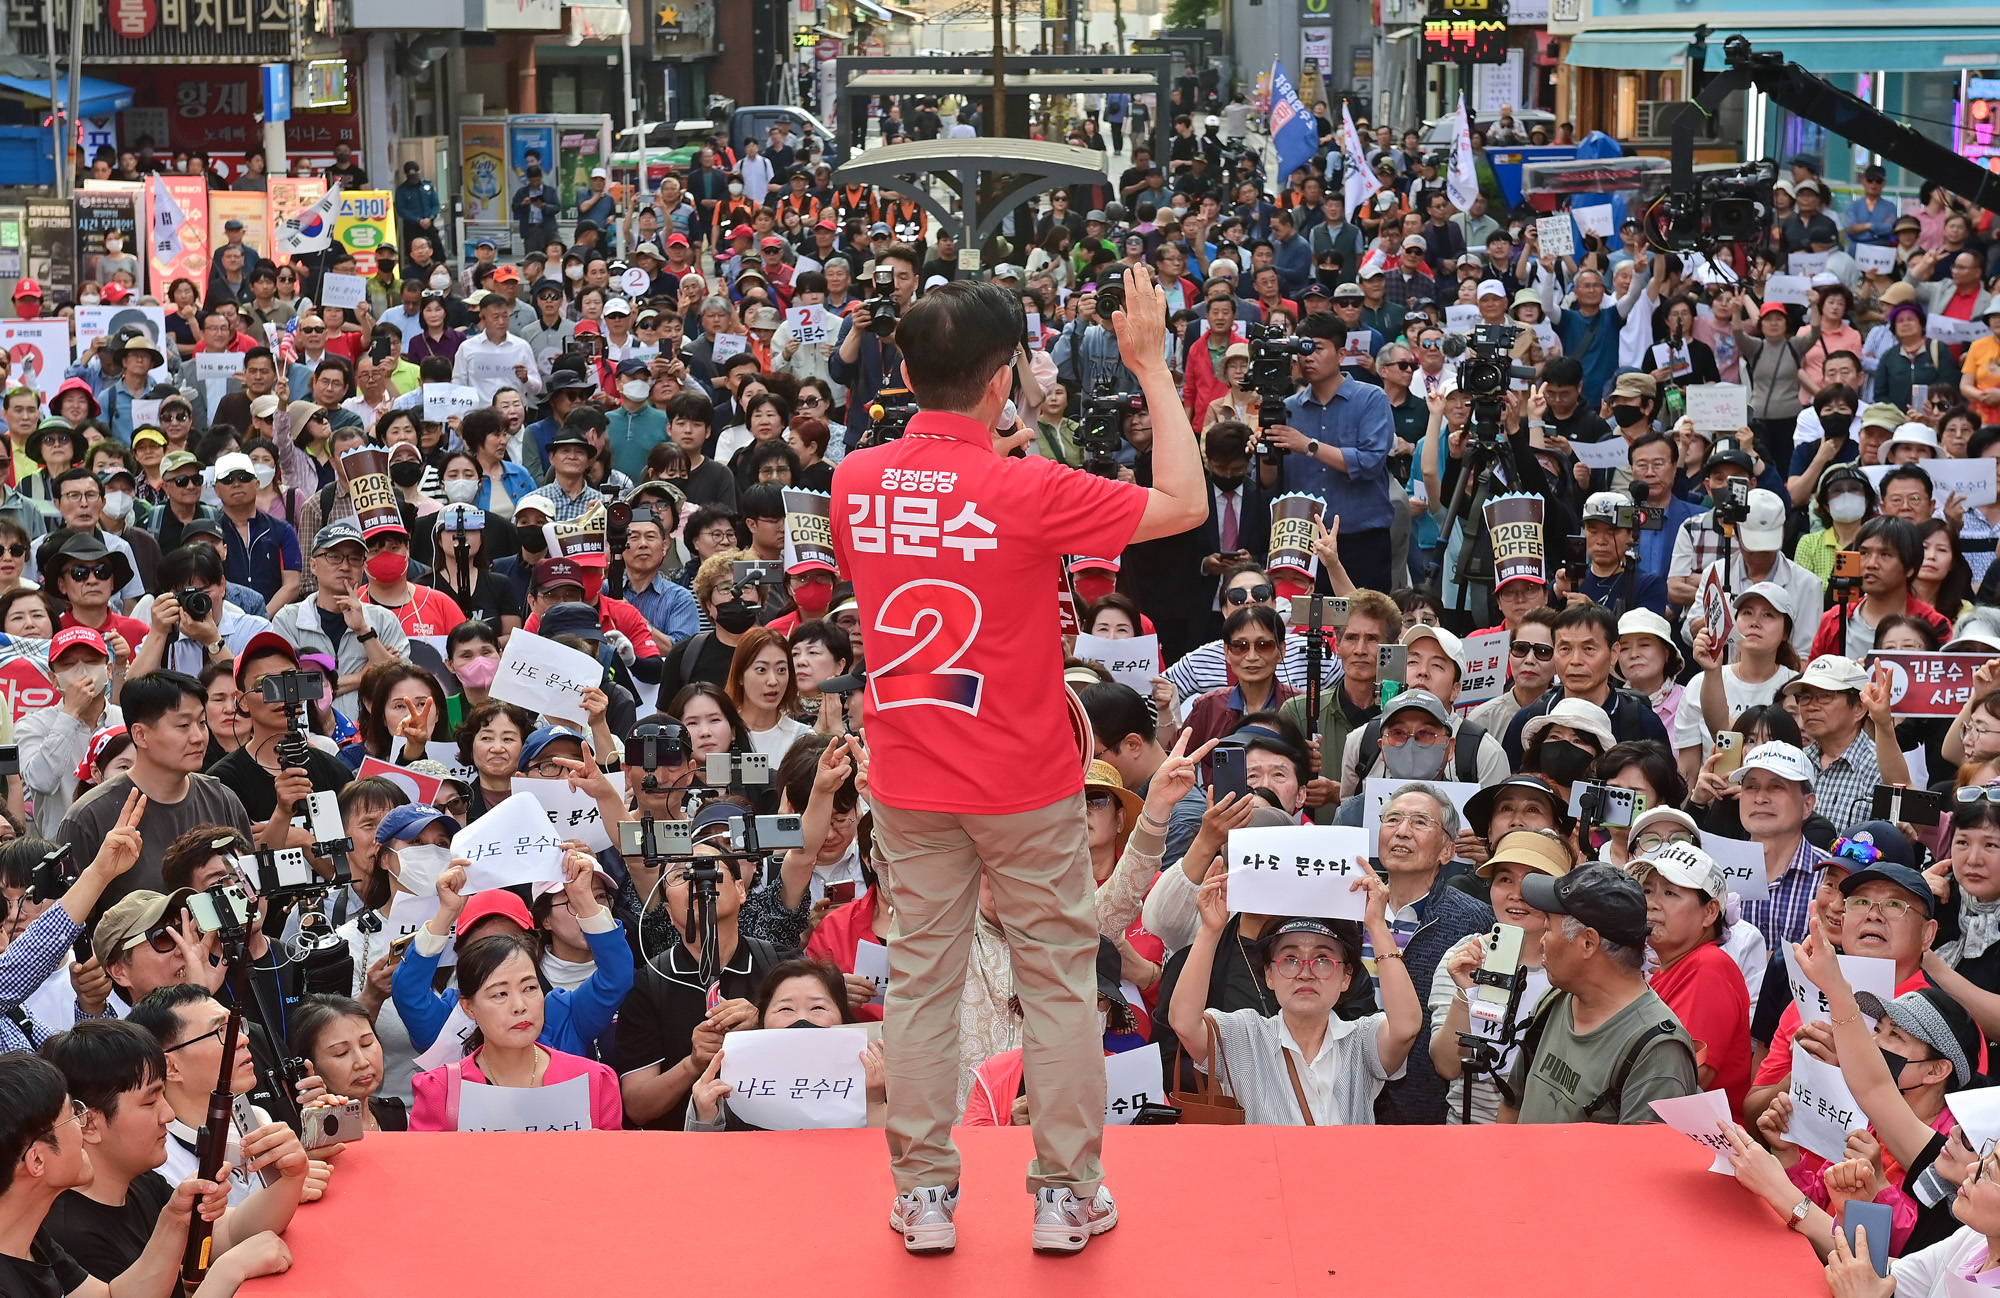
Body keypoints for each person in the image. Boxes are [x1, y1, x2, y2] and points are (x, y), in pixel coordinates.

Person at [829, 268, 1205, 1254]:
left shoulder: (853, 479)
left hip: (907, 776)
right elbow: (1182, 499)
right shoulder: (1026, 486)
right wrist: (1150, 366)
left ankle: (921, 1195)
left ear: (905, 370)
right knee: (1052, 983)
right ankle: (1064, 1191)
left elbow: (923, 524)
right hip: (1024, 782)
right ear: (1002, 381)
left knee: (917, 982)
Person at [0, 1052, 293, 1298]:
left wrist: (175, 1219)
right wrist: (227, 1272)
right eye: (73, 1118)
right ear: (37, 1159)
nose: (82, 1128)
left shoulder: (32, 1239)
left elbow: (112, 1297)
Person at [40, 1020, 307, 1282]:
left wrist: (289, 1177)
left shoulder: (142, 1183)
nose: (167, 1114)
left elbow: (227, 1232)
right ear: (87, 1122)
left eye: (163, 1096)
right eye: (150, 1101)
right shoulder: (69, 1236)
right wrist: (226, 1272)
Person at [1168, 858, 1417, 1124]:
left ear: (1347, 978)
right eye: (1290, 959)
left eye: (1322, 960)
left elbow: (1406, 1028)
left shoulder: (1361, 1041)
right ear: (1269, 975)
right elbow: (1184, 1022)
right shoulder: (1244, 1036)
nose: (1305, 972)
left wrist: (1377, 925)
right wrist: (1209, 930)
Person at [1500, 863, 1700, 1123]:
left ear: (1588, 943)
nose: (1542, 940)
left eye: (1548, 928)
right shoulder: (1556, 1000)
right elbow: (1512, 1103)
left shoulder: (1657, 1052)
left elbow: (1644, 1162)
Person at [57, 671, 256, 911]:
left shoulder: (222, 800)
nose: (198, 737)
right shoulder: (89, 817)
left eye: (202, 723)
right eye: (183, 725)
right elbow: (70, 919)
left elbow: (252, 893)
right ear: (140, 735)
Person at [409, 924, 624, 1131]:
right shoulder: (440, 1091)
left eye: (529, 988)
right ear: (468, 1007)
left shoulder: (593, 1081)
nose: (520, 1007)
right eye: (500, 994)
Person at [1428, 828, 1571, 1123]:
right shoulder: (1463, 957)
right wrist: (1465, 994)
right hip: (1468, 1133)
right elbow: (1446, 1066)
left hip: (1550, 1139)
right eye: (1505, 879)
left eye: (1534, 881)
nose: (1517, 894)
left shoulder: (1579, 966)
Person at [1632, 842, 1753, 1118]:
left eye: (1671, 893)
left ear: (1710, 912)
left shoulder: (1709, 968)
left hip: (1699, 1148)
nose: (1651, 902)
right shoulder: (1674, 969)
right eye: (1648, 890)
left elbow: (1684, 1084)